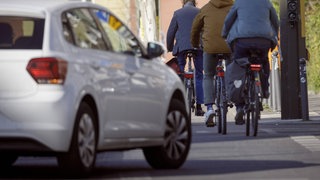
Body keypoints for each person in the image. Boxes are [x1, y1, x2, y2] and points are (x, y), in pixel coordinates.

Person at [222, 0, 280, 125]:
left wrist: (224, 34)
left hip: (242, 41)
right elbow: (275, 21)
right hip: (263, 40)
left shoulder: (239, 2)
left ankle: (240, 107)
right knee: (264, 61)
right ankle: (264, 89)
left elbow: (228, 21)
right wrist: (275, 34)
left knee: (239, 64)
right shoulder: (266, 3)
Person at [191, 0, 234, 127]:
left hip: (210, 48)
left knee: (208, 75)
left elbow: (195, 29)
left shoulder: (205, 9)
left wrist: (195, 44)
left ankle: (209, 108)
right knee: (232, 71)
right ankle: (236, 102)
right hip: (229, 46)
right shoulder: (234, 7)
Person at [167, 0, 205, 116]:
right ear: (195, 2)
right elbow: (205, 30)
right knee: (199, 74)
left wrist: (170, 47)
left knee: (180, 73)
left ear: (183, 2)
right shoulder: (200, 12)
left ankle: (180, 104)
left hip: (182, 48)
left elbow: (171, 32)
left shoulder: (178, 13)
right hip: (197, 46)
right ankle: (199, 107)